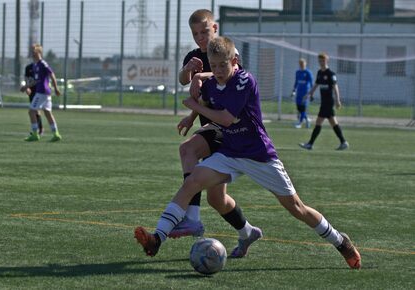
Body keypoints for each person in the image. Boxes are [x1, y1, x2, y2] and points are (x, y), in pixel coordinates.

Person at [134, 37, 361, 270]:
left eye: (224, 64)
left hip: (259, 155)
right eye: (214, 65)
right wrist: (195, 100)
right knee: (192, 182)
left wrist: (193, 105)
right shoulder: (212, 83)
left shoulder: (245, 81)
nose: (219, 70)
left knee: (297, 208)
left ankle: (340, 241)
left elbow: (224, 118)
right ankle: (157, 238)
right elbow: (205, 98)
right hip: (230, 153)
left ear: (235, 61)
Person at [170, 9, 244, 240]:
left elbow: (234, 75)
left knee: (187, 149)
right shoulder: (194, 56)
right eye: (195, 34)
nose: (200, 37)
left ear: (215, 28)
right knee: (217, 199)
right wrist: (188, 70)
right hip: (213, 129)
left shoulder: (228, 52)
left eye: (204, 31)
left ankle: (191, 219)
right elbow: (184, 81)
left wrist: (201, 76)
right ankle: (248, 232)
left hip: (232, 129)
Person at [299, 53, 348, 150]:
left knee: (319, 122)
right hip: (324, 102)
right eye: (320, 61)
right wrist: (309, 94)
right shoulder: (319, 73)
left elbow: (335, 87)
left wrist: (338, 100)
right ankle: (343, 142)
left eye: (323, 60)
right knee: (333, 123)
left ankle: (310, 144)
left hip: (328, 103)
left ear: (327, 61)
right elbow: (316, 85)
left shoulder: (331, 74)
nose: (321, 62)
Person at [24, 44, 62, 142]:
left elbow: (52, 74)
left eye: (33, 51)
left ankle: (35, 134)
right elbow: (36, 81)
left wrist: (56, 88)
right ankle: (56, 134)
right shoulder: (36, 65)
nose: (32, 53)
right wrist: (26, 86)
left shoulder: (43, 64)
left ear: (38, 52)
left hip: (42, 92)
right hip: (44, 92)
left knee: (31, 111)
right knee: (48, 113)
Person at [20, 62, 43, 135]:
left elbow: (37, 80)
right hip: (32, 91)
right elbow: (27, 79)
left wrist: (26, 87)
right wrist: (27, 88)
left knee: (34, 110)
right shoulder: (28, 67)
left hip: (39, 90)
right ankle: (38, 130)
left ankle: (39, 130)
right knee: (34, 110)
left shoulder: (41, 66)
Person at [291, 58, 313, 129]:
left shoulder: (308, 72)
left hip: (305, 93)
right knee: (299, 108)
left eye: (303, 63)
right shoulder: (297, 72)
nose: (301, 65)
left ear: (305, 64)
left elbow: (312, 83)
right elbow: (296, 82)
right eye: (300, 63)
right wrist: (294, 91)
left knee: (303, 108)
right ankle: (307, 120)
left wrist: (311, 93)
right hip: (299, 93)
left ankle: (300, 123)